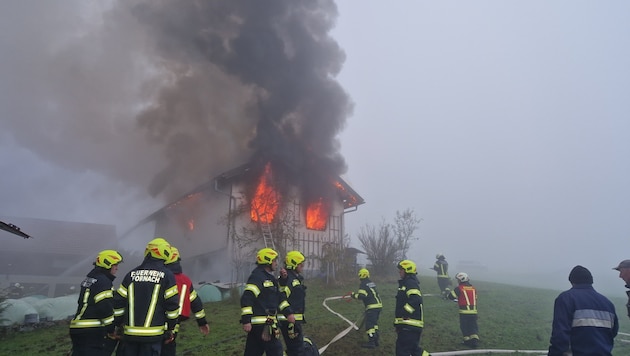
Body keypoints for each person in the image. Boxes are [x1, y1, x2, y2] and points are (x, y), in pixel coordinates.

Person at [113, 238, 180, 356]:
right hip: (153, 338)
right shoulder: (167, 275)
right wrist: (170, 328)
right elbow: (173, 305)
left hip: (130, 336)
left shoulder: (131, 274)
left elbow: (118, 302)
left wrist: (119, 325)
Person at [548, 265, 618, 355]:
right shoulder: (608, 303)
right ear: (591, 281)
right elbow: (613, 332)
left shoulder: (566, 298)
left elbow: (560, 334)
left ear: (572, 281)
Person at [240, 247, 295, 356]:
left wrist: (288, 312)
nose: (276, 263)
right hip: (264, 326)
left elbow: (278, 297)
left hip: (262, 325)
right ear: (268, 261)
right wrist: (246, 320)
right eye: (274, 260)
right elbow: (247, 298)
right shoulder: (257, 278)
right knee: (276, 352)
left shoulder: (269, 278)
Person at [69, 249, 123, 356]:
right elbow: (105, 307)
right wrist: (111, 329)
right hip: (91, 330)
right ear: (108, 264)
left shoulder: (90, 279)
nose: (117, 268)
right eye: (115, 264)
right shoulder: (103, 281)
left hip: (77, 327)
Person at [162, 246, 210, 356]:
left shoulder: (161, 277)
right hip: (173, 328)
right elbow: (195, 302)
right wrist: (202, 322)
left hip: (154, 326)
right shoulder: (185, 280)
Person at [395, 259, 430, 356]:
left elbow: (415, 300)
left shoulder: (410, 283)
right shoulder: (407, 283)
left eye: (401, 269)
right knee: (413, 350)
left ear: (407, 270)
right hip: (407, 325)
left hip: (409, 324)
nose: (399, 271)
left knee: (402, 351)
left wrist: (405, 313)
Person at [278, 250, 307, 356]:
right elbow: (281, 298)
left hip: (293, 321)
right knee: (297, 350)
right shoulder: (289, 279)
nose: (302, 266)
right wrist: (289, 313)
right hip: (290, 321)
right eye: (300, 264)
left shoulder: (293, 278)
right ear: (294, 264)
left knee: (294, 349)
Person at [350, 268, 383, 349]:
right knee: (374, 324)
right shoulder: (371, 283)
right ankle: (376, 341)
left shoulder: (363, 284)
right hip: (378, 306)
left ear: (361, 275)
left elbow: (361, 296)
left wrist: (353, 295)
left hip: (372, 307)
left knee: (370, 326)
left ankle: (371, 343)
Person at [447, 272, 479, 348]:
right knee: (473, 326)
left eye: (458, 280)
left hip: (464, 312)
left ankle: (467, 341)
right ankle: (474, 341)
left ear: (461, 280)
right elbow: (474, 298)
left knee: (464, 326)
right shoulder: (473, 288)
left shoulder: (459, 288)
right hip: (474, 312)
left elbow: (451, 297)